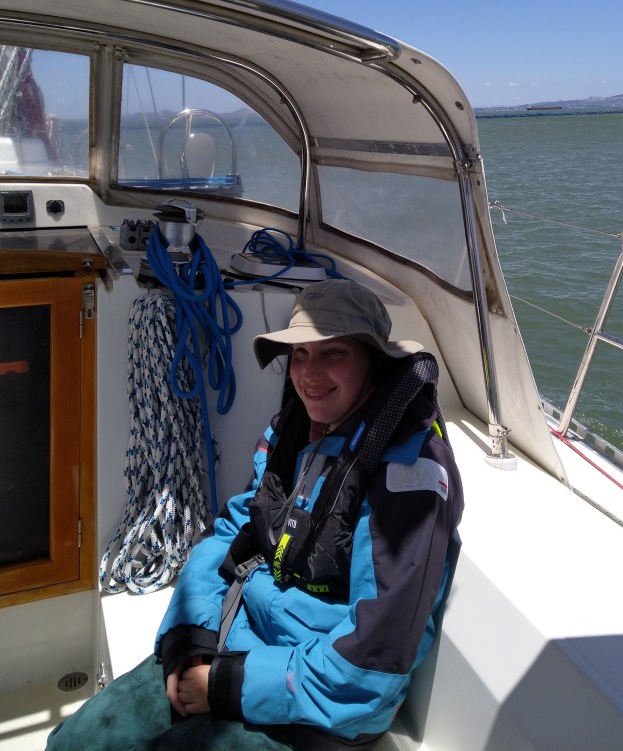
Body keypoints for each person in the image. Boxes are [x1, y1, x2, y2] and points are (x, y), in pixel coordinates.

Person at [48, 278, 463, 751]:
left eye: (334, 353)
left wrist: (226, 685)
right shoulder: (294, 431)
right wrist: (192, 638)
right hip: (233, 643)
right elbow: (230, 532)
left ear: (373, 362)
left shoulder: (408, 477)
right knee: (77, 742)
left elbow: (374, 659)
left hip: (317, 705)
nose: (309, 374)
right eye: (300, 355)